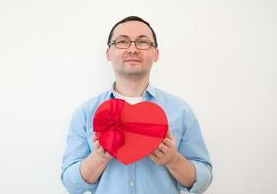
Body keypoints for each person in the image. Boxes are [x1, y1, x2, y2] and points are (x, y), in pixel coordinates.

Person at [61, 16, 213, 194]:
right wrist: (98, 157)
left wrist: (173, 160)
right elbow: (70, 184)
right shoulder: (85, 113)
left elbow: (204, 180)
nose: (132, 49)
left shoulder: (181, 111)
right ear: (108, 53)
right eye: (122, 42)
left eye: (142, 42)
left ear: (156, 54)